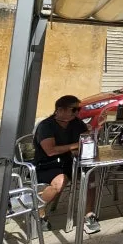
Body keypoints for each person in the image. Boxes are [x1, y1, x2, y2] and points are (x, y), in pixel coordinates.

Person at [34, 95, 100, 234]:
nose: (77, 112)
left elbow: (86, 139)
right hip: (49, 164)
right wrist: (75, 145)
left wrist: (95, 130)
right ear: (60, 110)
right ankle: (38, 212)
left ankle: (89, 215)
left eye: (79, 109)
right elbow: (50, 151)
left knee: (90, 178)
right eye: (74, 109)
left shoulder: (76, 123)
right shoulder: (46, 126)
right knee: (59, 183)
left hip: (71, 162)